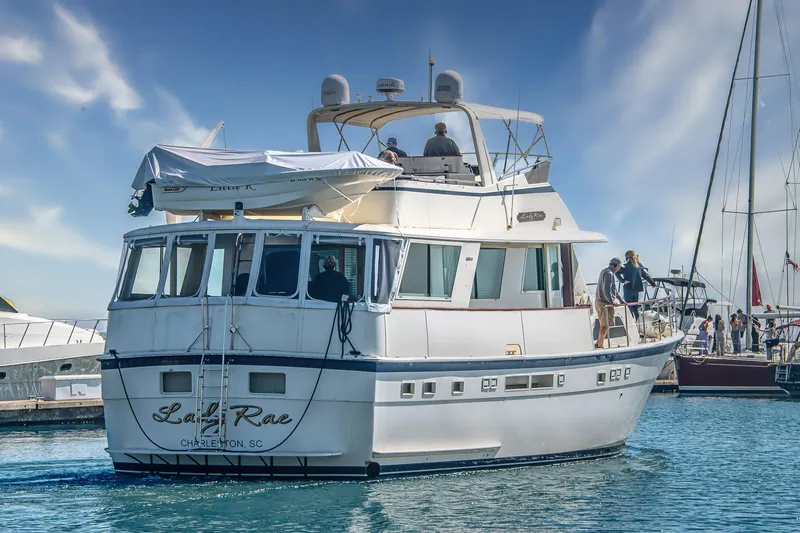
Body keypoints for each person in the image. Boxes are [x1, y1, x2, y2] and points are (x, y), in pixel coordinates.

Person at [615, 250, 656, 320]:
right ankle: (638, 322)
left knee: (629, 307)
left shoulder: (625, 266)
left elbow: (616, 273)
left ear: (627, 258)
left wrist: (622, 280)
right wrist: (652, 283)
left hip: (628, 289)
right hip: (636, 290)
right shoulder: (638, 265)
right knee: (635, 307)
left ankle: (631, 324)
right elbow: (645, 275)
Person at [595, 257, 626, 349]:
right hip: (605, 303)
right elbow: (607, 290)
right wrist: (611, 302)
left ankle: (599, 342)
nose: (619, 269)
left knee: (604, 324)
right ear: (615, 265)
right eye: (619, 267)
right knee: (606, 324)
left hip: (599, 301)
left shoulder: (604, 271)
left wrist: (621, 300)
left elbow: (614, 290)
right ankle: (599, 344)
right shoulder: (609, 273)